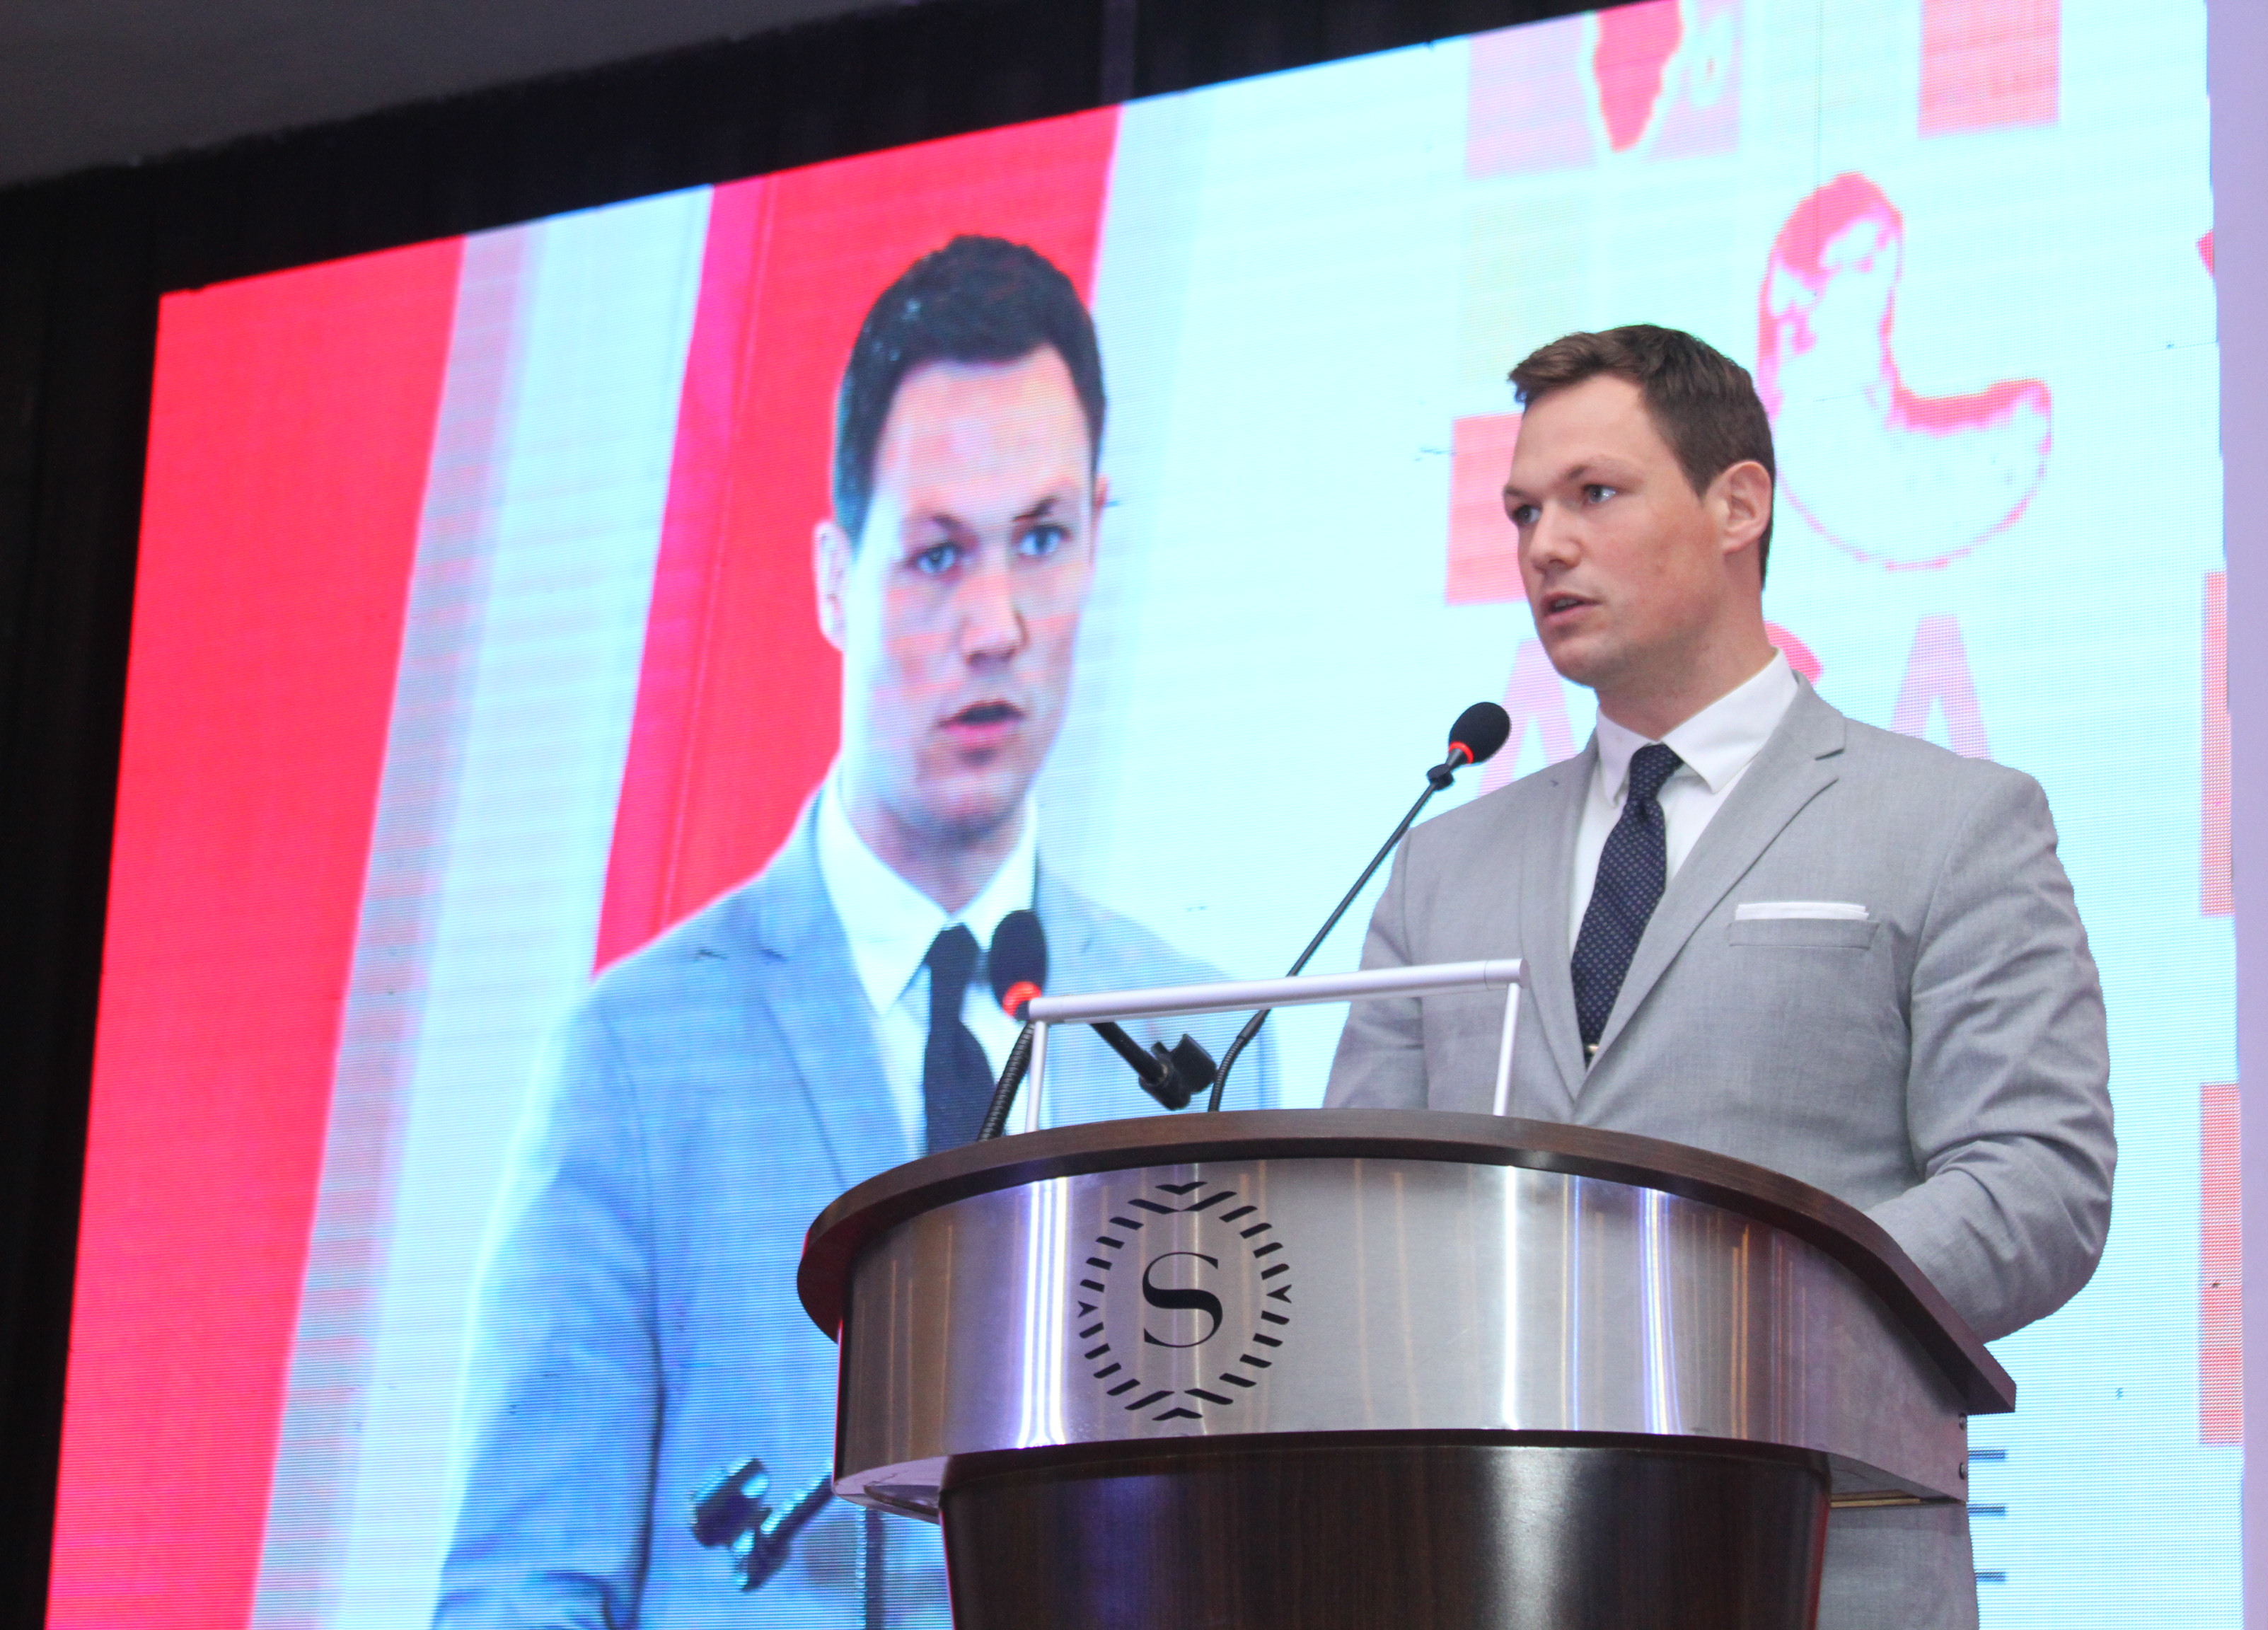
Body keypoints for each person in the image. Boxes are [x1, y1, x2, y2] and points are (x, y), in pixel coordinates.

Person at [436, 236, 1268, 1629]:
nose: (995, 626)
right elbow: (522, 1592)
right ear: (834, 578)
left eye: (1042, 540)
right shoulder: (634, 1056)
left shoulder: (1199, 1046)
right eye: (937, 555)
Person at [1326, 324, 2112, 1629]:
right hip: (1476, 1565)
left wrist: (1733, 1310)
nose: (1545, 546)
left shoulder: (1951, 822)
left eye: (1595, 493)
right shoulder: (1442, 866)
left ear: (1739, 505)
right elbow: (1360, 1214)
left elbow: (2038, 1183)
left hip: (1815, 1561)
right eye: (1524, 511)